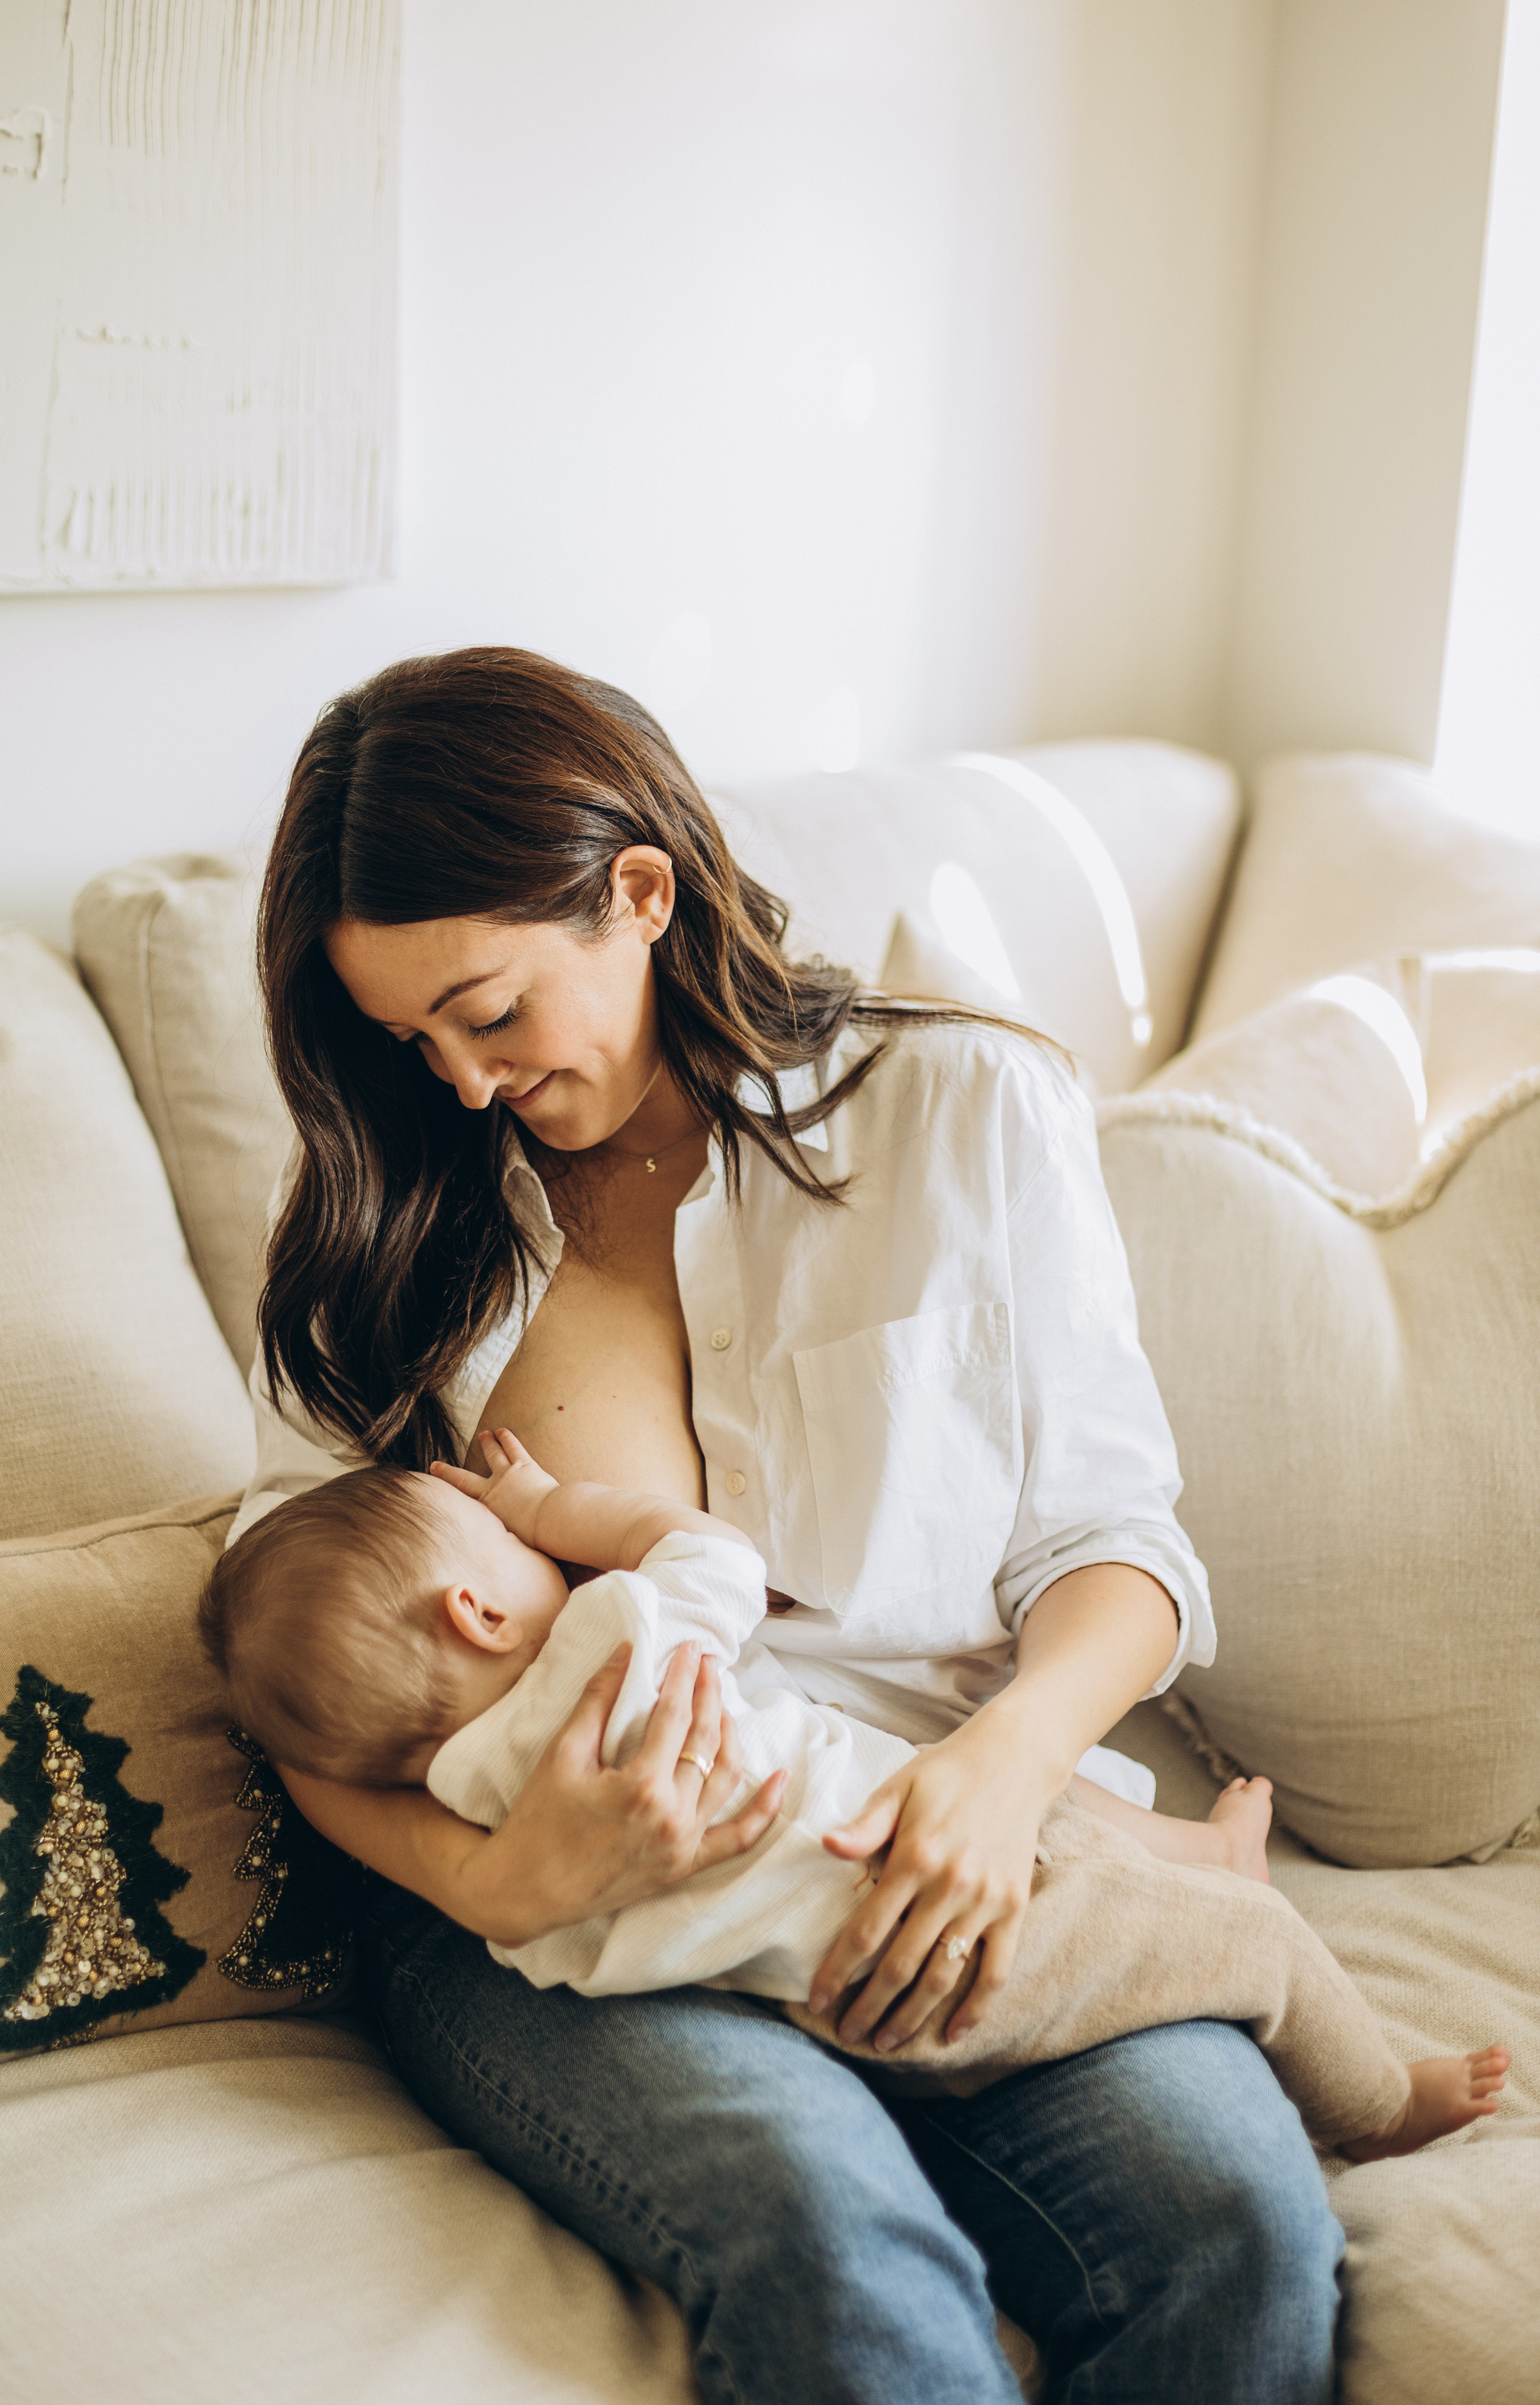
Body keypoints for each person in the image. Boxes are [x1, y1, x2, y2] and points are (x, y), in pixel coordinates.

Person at [234, 644, 1353, 2405]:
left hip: (938, 1833)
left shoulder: (964, 1107)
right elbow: (286, 1662)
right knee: (832, 2239)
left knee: (1234, 2234)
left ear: (641, 893)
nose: (454, 1083)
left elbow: (1116, 1552)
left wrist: (998, 1773)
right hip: (563, 1923)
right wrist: (498, 1879)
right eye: (407, 1041)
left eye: (494, 1013)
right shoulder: (399, 1231)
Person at [203, 1429, 1507, 2159]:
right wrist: (554, 1502)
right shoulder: (614, 1639)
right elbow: (708, 1549)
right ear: (480, 1604)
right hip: (946, 1928)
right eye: (503, 1545)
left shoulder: (469, 1790)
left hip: (836, 2011)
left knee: (976, 1788)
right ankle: (1381, 2101)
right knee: (1256, 1947)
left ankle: (1197, 1854)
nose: (522, 1539)